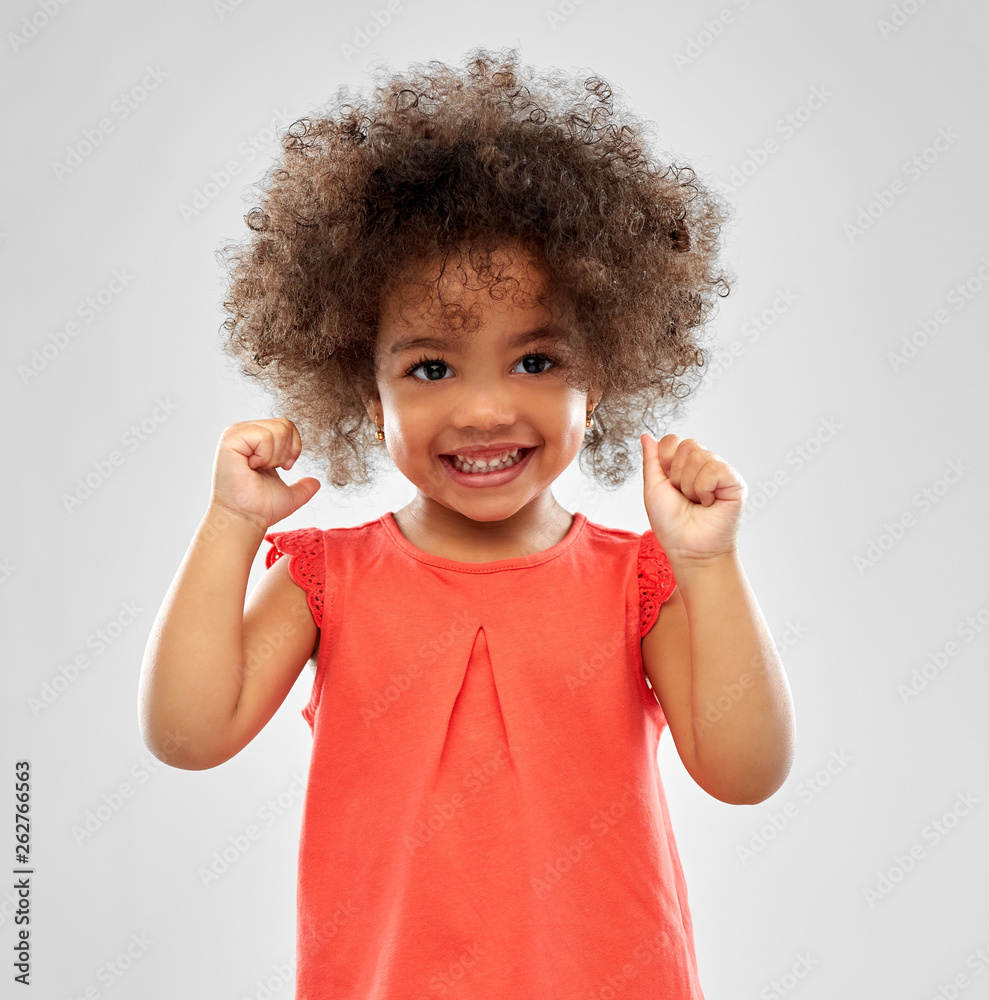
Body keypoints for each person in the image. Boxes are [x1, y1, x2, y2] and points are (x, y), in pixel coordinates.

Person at [138, 45, 795, 999]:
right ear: (364, 394)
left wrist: (711, 565)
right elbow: (186, 734)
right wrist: (231, 524)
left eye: (534, 361)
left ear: (599, 372)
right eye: (432, 369)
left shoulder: (637, 581)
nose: (485, 410)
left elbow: (747, 772)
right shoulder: (333, 579)